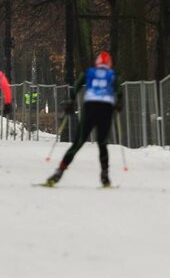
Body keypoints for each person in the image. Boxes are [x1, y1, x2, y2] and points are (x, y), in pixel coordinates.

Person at [45, 51, 123, 187]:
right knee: (102, 142)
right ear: (109, 64)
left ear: (97, 63)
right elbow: (119, 91)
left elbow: (77, 85)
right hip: (106, 108)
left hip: (91, 107)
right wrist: (118, 103)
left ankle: (59, 172)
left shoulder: (89, 72)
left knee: (79, 141)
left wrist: (71, 100)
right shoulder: (113, 75)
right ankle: (105, 175)